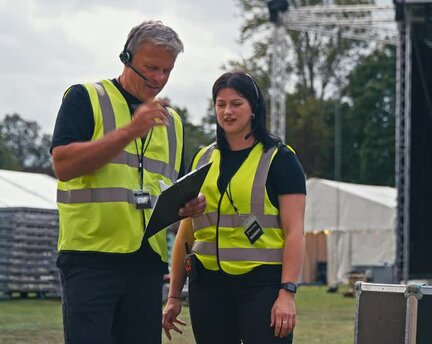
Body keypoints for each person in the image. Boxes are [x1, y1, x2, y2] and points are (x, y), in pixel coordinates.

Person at [50, 20, 206, 344]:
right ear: (126, 56)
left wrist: (185, 206)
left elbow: (164, 189)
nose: (159, 79)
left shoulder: (173, 122)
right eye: (151, 67)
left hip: (146, 263)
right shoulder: (85, 98)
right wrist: (130, 132)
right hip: (90, 258)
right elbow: (63, 165)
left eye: (167, 71)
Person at [162, 72, 306, 343]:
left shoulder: (280, 158)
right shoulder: (203, 158)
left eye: (236, 103)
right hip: (207, 288)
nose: (227, 111)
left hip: (262, 285)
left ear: (254, 108)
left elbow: (296, 231)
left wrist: (287, 293)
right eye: (220, 104)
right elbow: (186, 233)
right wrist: (173, 296)